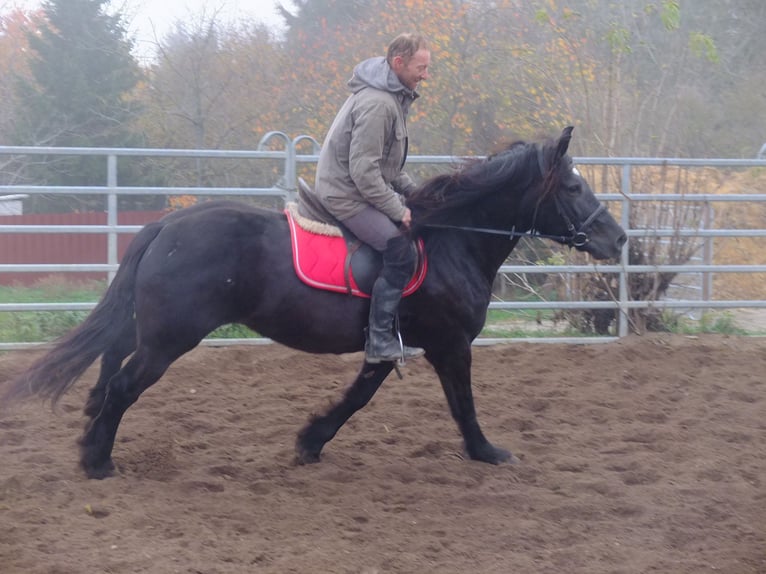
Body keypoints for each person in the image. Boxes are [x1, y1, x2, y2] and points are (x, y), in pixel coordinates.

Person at [312, 33, 431, 363]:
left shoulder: (390, 97)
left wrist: (416, 193)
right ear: (398, 63)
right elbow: (364, 173)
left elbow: (386, 166)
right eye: (421, 68)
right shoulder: (379, 104)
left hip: (358, 187)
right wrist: (397, 208)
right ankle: (379, 340)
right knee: (399, 250)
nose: (425, 75)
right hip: (346, 195)